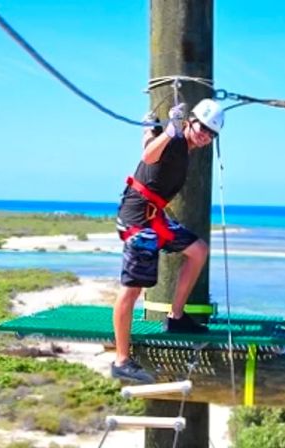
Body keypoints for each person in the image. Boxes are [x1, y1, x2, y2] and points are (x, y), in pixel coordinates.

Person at [111, 98, 225, 383]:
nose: (205, 136)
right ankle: (121, 360)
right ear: (191, 121)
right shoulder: (174, 140)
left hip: (154, 217)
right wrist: (169, 131)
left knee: (197, 250)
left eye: (211, 133)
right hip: (139, 220)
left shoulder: (180, 143)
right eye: (203, 128)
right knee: (132, 290)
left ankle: (175, 318)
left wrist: (150, 126)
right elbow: (149, 156)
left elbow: (147, 141)